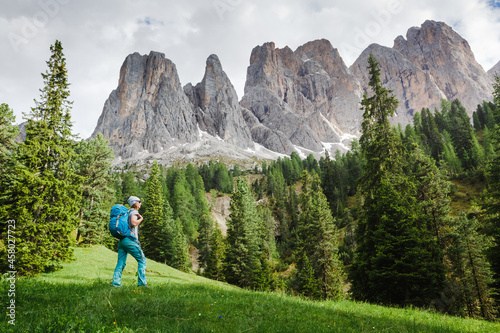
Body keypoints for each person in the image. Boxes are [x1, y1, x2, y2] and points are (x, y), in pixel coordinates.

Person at [112, 196, 148, 287]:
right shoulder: (134, 212)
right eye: (139, 201)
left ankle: (116, 283)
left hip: (122, 241)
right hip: (130, 240)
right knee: (142, 260)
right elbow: (133, 223)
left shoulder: (126, 212)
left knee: (121, 262)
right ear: (135, 202)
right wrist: (141, 219)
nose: (140, 204)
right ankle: (142, 283)